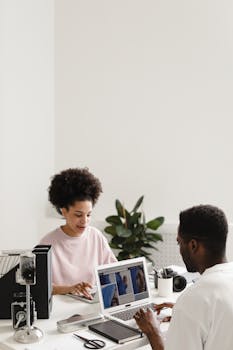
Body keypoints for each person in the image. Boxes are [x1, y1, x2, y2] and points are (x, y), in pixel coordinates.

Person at [134, 204, 233, 350]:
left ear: (193, 245)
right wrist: (187, 317)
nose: (179, 249)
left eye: (179, 242)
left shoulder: (193, 300)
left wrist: (152, 330)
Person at [40, 167, 117, 296]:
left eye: (88, 215)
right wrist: (69, 289)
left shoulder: (96, 236)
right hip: (61, 310)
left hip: (91, 306)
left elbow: (114, 272)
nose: (85, 221)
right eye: (78, 215)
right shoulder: (47, 244)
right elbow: (40, 287)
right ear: (64, 211)